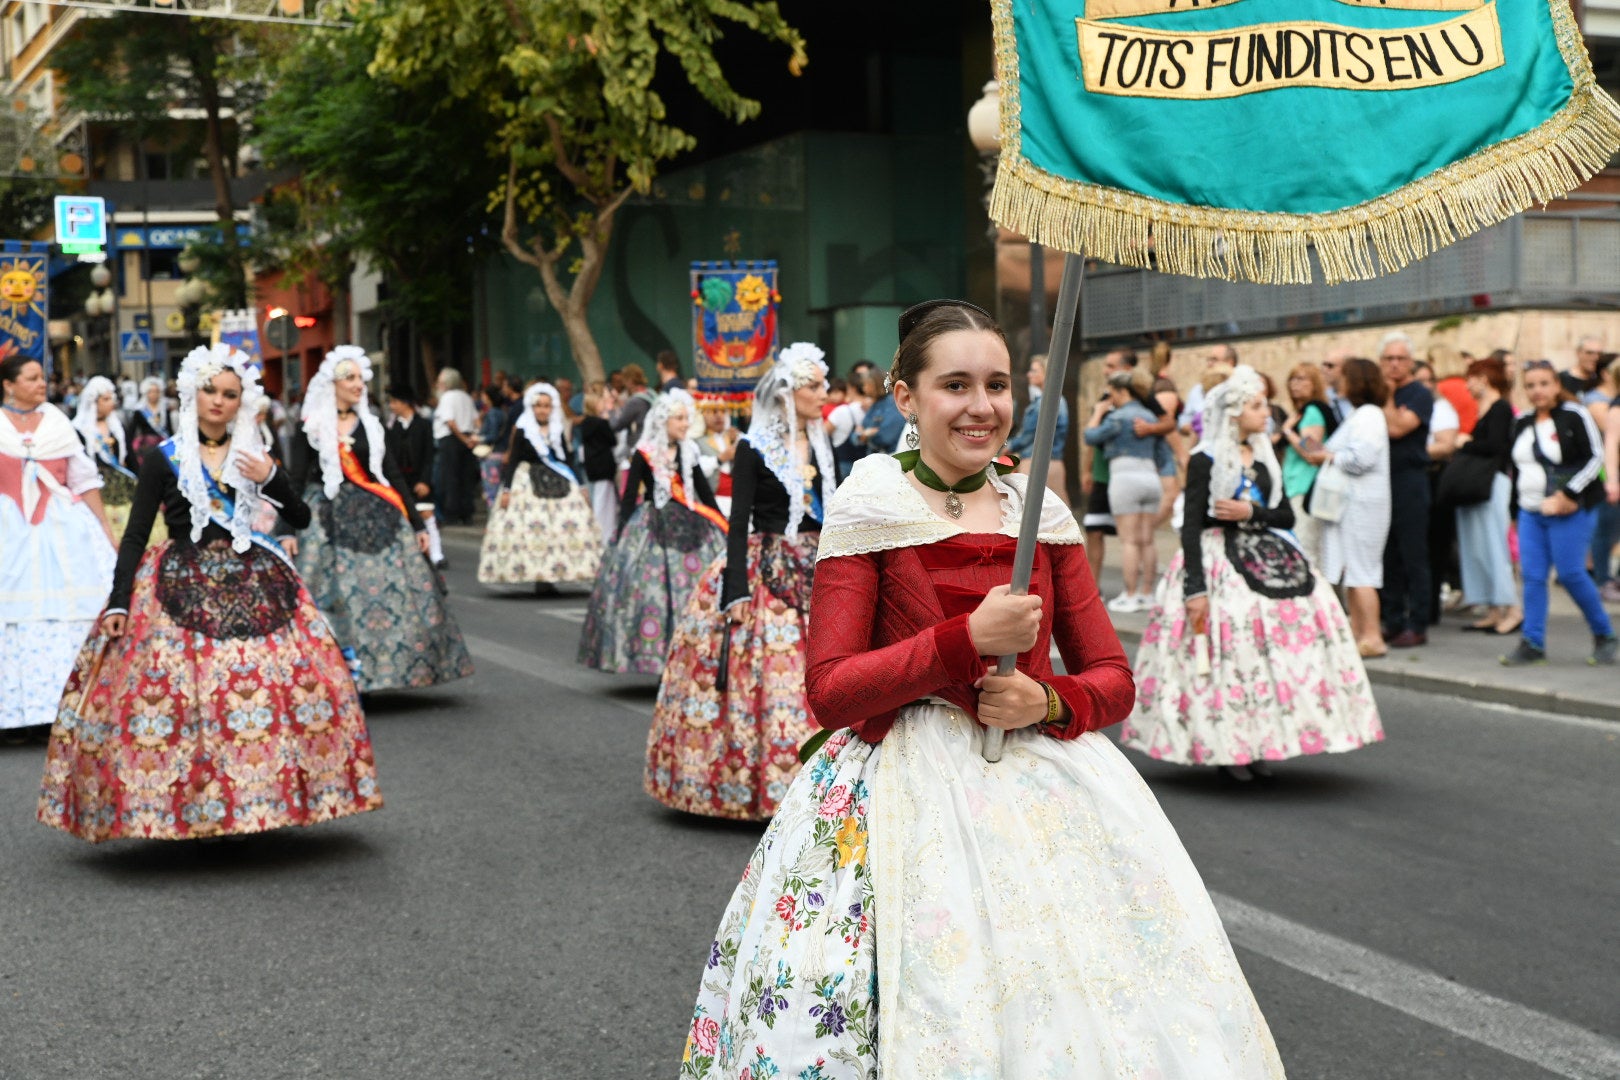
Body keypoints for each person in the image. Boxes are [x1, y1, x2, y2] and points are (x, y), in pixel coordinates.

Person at [679, 300, 1284, 1077]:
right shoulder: (871, 506)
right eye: (955, 385)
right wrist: (961, 643)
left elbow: (1113, 678)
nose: (982, 407)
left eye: (997, 386)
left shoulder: (1043, 512)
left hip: (1046, 783)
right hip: (900, 785)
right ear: (906, 396)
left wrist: (1051, 701)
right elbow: (830, 692)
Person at [38, 344, 382, 842]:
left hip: (252, 578)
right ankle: (193, 804)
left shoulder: (254, 452)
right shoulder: (163, 458)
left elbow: (302, 519)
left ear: (241, 401)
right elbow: (136, 534)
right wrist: (118, 599)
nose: (218, 401)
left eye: (229, 394)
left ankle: (259, 799)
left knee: (273, 693)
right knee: (181, 699)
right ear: (191, 393)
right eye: (210, 391)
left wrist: (272, 479)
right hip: (178, 580)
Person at [1123, 365, 1383, 780]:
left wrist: (1251, 511)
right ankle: (1228, 747)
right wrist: (1195, 588)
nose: (1267, 413)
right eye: (1258, 405)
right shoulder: (1205, 459)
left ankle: (1259, 740)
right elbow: (1191, 525)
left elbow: (1283, 515)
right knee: (1233, 652)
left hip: (1268, 554)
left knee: (1273, 653)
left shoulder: (1264, 457)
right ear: (1233, 412)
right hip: (1217, 558)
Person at [646, 344, 837, 820]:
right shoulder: (754, 447)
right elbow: (740, 524)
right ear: (788, 394)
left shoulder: (821, 442)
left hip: (818, 563)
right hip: (766, 565)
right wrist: (734, 587)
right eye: (814, 386)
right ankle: (762, 785)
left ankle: (828, 784)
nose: (824, 393)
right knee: (771, 673)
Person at [292, 347, 474, 693]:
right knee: (334, 594)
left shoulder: (372, 426)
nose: (359, 384)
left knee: (394, 595)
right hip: (325, 516)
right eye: (351, 378)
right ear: (332, 384)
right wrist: (287, 528)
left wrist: (418, 525)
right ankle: (337, 673)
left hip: (378, 517)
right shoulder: (311, 427)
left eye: (362, 378)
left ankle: (385, 673)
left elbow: (391, 475)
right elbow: (296, 479)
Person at [0, 353, 118, 736]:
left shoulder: (57, 422)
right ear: (9, 384)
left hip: (62, 527)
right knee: (13, 617)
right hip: (9, 528)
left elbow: (83, 480)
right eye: (32, 378)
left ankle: (62, 708)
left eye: (42, 377)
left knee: (68, 613)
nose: (41, 384)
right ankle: (12, 715)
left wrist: (103, 526)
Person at [578, 388, 726, 674]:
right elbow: (630, 493)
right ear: (663, 421)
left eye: (686, 418)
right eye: (679, 419)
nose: (685, 424)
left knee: (694, 590)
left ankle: (693, 654)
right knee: (652, 593)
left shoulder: (688, 450)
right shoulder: (644, 453)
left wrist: (723, 525)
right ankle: (657, 657)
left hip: (689, 524)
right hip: (652, 524)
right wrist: (620, 533)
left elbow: (704, 494)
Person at [1501, 361, 1617, 666]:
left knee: (1570, 573)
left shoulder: (1575, 414)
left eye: (1543, 383)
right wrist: (1513, 511)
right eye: (1530, 385)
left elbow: (1595, 458)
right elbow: (1516, 468)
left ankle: (1605, 634)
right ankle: (1532, 642)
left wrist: (1568, 494)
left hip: (1569, 509)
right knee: (1533, 576)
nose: (1537, 391)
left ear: (1556, 384)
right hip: (1531, 512)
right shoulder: (1522, 421)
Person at [477, 382, 602, 589]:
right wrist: (507, 490)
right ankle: (537, 577)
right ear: (531, 407)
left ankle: (553, 574)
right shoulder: (523, 429)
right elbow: (513, 460)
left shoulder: (556, 430)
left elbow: (567, 459)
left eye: (546, 405)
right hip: (527, 481)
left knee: (560, 528)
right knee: (535, 529)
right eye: (538, 405)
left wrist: (581, 485)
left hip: (558, 480)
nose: (542, 410)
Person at [1316, 358, 1393, 658]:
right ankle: (1358, 633)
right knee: (1353, 571)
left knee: (1363, 571)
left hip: (1363, 504)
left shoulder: (1370, 415)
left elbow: (1363, 458)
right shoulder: (1360, 415)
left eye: (1345, 376)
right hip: (1353, 505)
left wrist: (1329, 456)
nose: (1339, 380)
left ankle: (1372, 636)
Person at [1084, 366, 1165, 612]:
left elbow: (1090, 436)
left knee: (1129, 540)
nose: (1111, 399)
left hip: (1124, 476)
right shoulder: (1150, 416)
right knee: (1147, 540)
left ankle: (1130, 595)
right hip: (1151, 475)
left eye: (1112, 394)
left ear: (1121, 390)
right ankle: (1147, 593)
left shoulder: (1117, 417)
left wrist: (1098, 412)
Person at [1453, 356, 1520, 634]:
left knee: (1494, 546)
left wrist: (1466, 443)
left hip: (1493, 484)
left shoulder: (1501, 408)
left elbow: (1496, 447)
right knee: (1480, 548)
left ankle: (1513, 609)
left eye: (1470, 377)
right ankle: (1494, 609)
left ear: (1483, 378)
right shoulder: (1487, 409)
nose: (1467, 384)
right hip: (1481, 486)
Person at [72, 375, 143, 543]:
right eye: (105, 399)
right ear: (93, 402)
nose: (111, 402)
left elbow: (130, 460)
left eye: (112, 398)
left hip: (121, 490)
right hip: (95, 490)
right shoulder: (79, 430)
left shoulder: (118, 428)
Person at [1278, 362, 1336, 567]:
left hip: (1306, 487)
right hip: (1296, 486)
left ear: (1314, 384)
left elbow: (1312, 451)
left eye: (1301, 379)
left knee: (1306, 548)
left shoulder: (1313, 410)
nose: (1295, 384)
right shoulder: (1301, 412)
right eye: (1292, 379)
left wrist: (1287, 432)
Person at [385, 384, 444, 571]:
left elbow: (429, 456)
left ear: (405, 403)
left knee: (426, 513)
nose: (391, 406)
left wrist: (425, 481)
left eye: (394, 402)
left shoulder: (424, 424)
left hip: (419, 477)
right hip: (399, 478)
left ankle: (436, 554)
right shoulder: (391, 427)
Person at [1008, 353, 1070, 506]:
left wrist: (1009, 447)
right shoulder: (1060, 400)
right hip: (1055, 462)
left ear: (1048, 372)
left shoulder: (1042, 403)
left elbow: (1029, 435)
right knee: (1060, 512)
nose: (1029, 374)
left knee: (1029, 509)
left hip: (1034, 460)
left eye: (1034, 370)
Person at [432, 368, 480, 525]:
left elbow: (450, 422)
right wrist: (474, 437)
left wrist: (463, 439)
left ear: (445, 384)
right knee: (466, 478)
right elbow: (477, 420)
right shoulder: (466, 397)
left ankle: (451, 513)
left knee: (450, 477)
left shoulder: (447, 397)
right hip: (467, 439)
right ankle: (466, 513)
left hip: (451, 439)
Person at [574, 382, 620, 540]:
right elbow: (612, 440)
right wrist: (606, 421)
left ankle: (603, 533)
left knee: (603, 501)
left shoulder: (586, 423)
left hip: (595, 468)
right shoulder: (599, 423)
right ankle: (603, 535)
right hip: (602, 468)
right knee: (604, 503)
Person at [693, 399, 739, 517]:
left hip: (736, 500)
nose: (719, 416)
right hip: (712, 501)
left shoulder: (735, 437)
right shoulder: (695, 442)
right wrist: (720, 459)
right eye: (713, 411)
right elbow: (697, 470)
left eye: (723, 411)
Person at [475, 383, 512, 509]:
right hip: (501, 453)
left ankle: (494, 517)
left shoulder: (492, 413)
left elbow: (493, 435)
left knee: (491, 490)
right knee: (499, 487)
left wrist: (479, 438)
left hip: (492, 455)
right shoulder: (503, 412)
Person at [126, 376, 172, 460]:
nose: (153, 394)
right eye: (151, 391)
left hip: (162, 446)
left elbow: (169, 429)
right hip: (146, 447)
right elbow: (131, 431)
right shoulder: (140, 411)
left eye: (156, 391)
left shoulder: (164, 410)